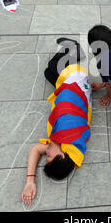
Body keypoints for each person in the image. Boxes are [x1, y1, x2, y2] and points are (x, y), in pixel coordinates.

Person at [22, 38, 91, 206]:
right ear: (60, 155)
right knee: (53, 66)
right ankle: (72, 47)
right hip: (76, 80)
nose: (46, 151)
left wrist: (30, 181)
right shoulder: (65, 130)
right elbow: (66, 99)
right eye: (49, 155)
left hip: (80, 91)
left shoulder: (72, 151)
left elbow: (35, 150)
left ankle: (74, 52)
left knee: (47, 74)